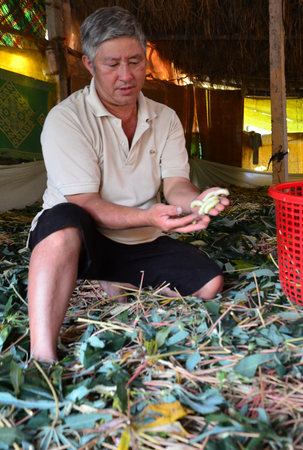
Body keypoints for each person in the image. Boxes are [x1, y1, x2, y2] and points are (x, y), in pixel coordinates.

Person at [26, 6, 228, 362]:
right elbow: (86, 202)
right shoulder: (67, 119)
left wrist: (196, 201)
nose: (126, 75)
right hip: (85, 238)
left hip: (138, 236)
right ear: (89, 64)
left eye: (135, 61)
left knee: (210, 285)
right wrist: (151, 216)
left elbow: (177, 183)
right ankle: (42, 355)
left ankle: (116, 279)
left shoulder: (164, 118)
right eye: (112, 64)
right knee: (63, 221)